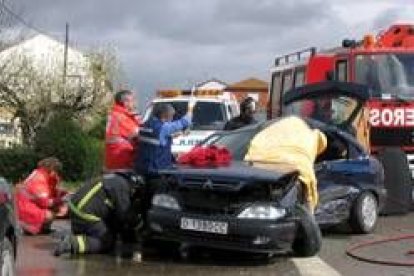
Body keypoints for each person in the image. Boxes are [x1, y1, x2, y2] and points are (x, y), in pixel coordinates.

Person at [244, 116, 327, 212]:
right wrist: (311, 207)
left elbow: (253, 147)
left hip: (255, 170)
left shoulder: (268, 134)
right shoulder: (310, 136)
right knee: (296, 212)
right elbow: (322, 142)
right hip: (295, 172)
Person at [54, 173, 142, 256]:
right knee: (106, 241)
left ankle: (80, 238)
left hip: (76, 209)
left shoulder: (113, 179)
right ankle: (73, 243)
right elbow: (124, 215)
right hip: (85, 213)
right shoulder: (123, 187)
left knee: (102, 230)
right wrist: (138, 224)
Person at [135, 101, 195, 176]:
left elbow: (159, 138)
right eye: (171, 116)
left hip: (143, 166)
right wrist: (190, 108)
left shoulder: (145, 124)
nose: (172, 118)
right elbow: (185, 121)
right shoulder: (163, 127)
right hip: (158, 169)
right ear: (164, 115)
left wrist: (181, 133)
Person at [15, 157, 67, 235]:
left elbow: (50, 192)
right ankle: (30, 227)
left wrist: (62, 194)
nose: (57, 174)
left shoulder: (40, 174)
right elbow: (45, 202)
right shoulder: (39, 179)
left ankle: (41, 228)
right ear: (52, 169)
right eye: (56, 171)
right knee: (50, 214)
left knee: (57, 207)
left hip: (25, 205)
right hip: (25, 209)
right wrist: (62, 200)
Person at [105, 90, 141, 172]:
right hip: (122, 156)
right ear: (125, 102)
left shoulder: (115, 113)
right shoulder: (121, 117)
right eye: (132, 100)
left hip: (113, 155)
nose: (134, 103)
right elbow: (138, 133)